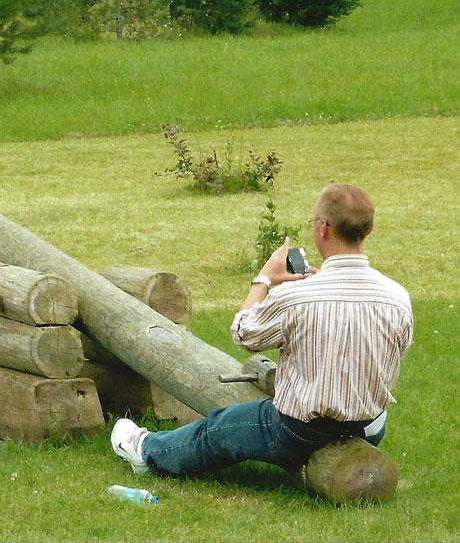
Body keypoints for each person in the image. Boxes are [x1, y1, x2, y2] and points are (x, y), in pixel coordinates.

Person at [111, 184, 413, 478]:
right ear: (369, 229)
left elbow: (244, 333)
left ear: (323, 228)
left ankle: (145, 451)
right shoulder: (397, 297)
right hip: (370, 427)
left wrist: (264, 280)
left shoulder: (296, 297)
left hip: (299, 431)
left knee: (219, 428)